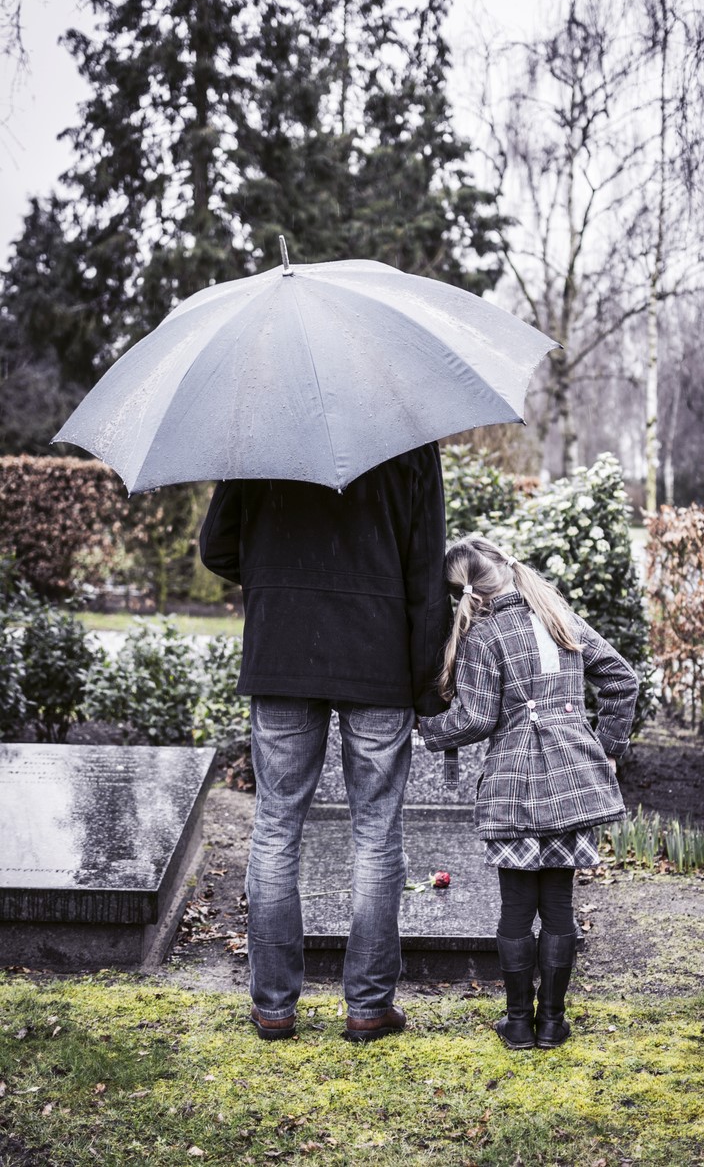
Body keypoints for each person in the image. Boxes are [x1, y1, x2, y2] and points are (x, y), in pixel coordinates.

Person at [199, 443, 450, 1043]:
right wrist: (426, 687)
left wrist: (280, 579)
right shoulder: (408, 437)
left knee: (276, 825)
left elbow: (217, 547)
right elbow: (425, 570)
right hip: (378, 656)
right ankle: (367, 1006)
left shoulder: (262, 432)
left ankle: (274, 1008)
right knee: (377, 831)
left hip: (282, 650)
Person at [419, 535, 638, 1050]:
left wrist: (427, 729)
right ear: (506, 569)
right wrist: (605, 748)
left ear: (464, 595)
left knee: (517, 908)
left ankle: (518, 1022)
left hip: (514, 785)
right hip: (571, 781)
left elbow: (474, 718)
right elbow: (622, 679)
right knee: (558, 902)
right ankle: (553, 1023)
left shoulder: (484, 634)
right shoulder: (559, 616)